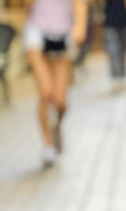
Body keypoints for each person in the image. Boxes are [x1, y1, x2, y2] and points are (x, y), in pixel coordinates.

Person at [24, 0, 88, 167]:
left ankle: (56, 127)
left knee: (60, 102)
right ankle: (47, 144)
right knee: (46, 92)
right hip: (37, 33)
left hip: (64, 34)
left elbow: (80, 5)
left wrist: (79, 26)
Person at [105, 0, 126, 90]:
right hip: (109, 21)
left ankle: (122, 76)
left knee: (122, 50)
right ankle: (115, 77)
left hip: (123, 20)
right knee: (113, 50)